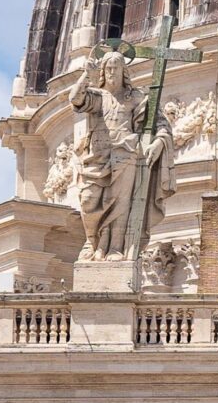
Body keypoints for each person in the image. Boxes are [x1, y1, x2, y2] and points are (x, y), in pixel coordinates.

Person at [67, 49, 168, 261]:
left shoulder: (136, 98)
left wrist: (159, 143)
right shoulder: (96, 97)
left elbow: (161, 125)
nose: (112, 73)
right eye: (108, 69)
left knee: (121, 204)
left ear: (124, 71)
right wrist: (87, 75)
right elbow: (75, 98)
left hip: (126, 153)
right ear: (103, 71)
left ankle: (114, 247)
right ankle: (92, 240)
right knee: (87, 200)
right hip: (97, 155)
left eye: (116, 68)